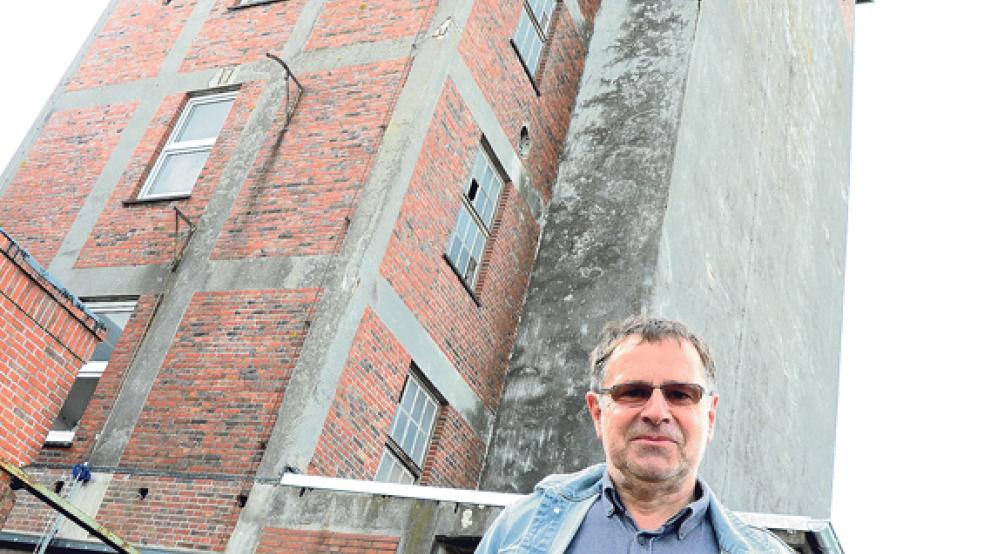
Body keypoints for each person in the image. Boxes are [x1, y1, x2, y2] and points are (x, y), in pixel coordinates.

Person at [476, 316, 792, 553]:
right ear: (597, 412)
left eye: (680, 394)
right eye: (633, 391)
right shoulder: (517, 530)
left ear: (709, 417)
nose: (656, 412)